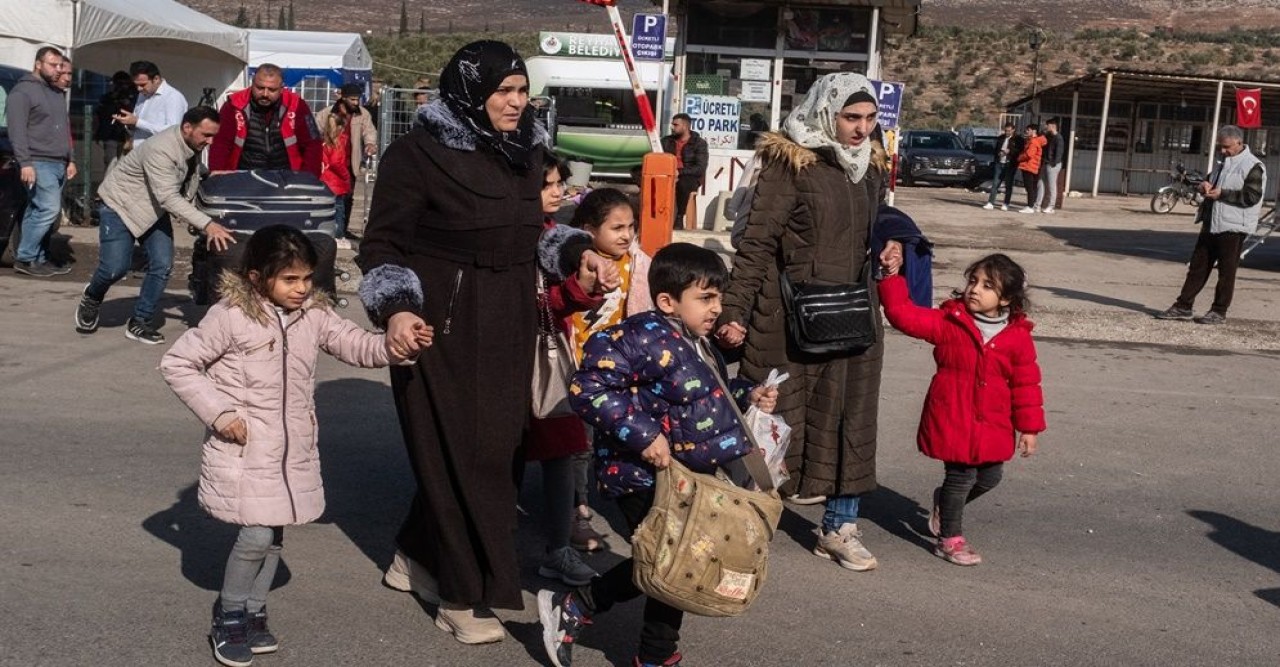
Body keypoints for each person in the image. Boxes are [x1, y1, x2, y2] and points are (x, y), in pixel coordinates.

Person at [357, 40, 554, 646]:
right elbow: (382, 245)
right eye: (504, 92)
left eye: (523, 92)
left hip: (512, 315)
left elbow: (534, 231)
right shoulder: (415, 155)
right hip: (440, 321)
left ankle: (416, 556)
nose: (517, 104)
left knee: (497, 449)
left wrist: (576, 253)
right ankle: (461, 593)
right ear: (470, 92)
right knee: (469, 454)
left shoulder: (527, 151)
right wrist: (394, 310)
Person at [160, 225, 428, 667]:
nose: (302, 288)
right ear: (256, 277)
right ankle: (229, 615)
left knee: (275, 537)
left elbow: (357, 345)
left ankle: (254, 610)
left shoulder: (314, 315)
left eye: (307, 278)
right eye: (290, 280)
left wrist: (398, 346)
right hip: (246, 449)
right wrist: (220, 414)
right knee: (258, 533)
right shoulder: (231, 316)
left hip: (292, 450)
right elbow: (178, 362)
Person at [538, 242, 779, 667]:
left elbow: (704, 398)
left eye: (718, 298)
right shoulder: (640, 337)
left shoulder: (696, 340)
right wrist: (646, 435)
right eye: (705, 298)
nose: (715, 308)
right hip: (638, 472)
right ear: (668, 301)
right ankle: (634, 642)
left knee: (677, 560)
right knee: (675, 561)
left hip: (686, 475)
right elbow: (587, 388)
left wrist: (747, 394)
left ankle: (599, 616)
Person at [715, 73, 901, 573]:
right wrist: (734, 310)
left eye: (869, 119)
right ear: (826, 113)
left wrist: (892, 244)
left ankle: (840, 527)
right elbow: (755, 243)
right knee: (771, 421)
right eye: (850, 118)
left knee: (849, 419)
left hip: (853, 314)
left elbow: (881, 222)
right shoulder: (789, 162)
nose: (861, 130)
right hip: (787, 313)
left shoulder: (873, 165)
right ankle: (743, 523)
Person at [879, 253, 1045, 565]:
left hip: (994, 422)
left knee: (990, 478)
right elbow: (903, 315)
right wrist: (891, 277)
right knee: (960, 477)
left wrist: (1030, 428)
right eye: (972, 281)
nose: (974, 289)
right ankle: (950, 539)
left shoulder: (1017, 336)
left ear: (1006, 298)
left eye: (987, 285)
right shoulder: (950, 322)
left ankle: (944, 503)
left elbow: (1026, 385)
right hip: (952, 417)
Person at [521, 155, 611, 587]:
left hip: (551, 356)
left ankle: (559, 548)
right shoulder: (512, 236)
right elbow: (536, 301)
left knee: (560, 450)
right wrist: (576, 291)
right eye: (548, 184)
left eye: (560, 183)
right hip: (513, 359)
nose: (558, 191)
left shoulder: (561, 237)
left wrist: (584, 289)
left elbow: (558, 303)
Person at [74, 107, 237, 344]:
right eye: (206, 135)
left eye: (213, 136)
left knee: (162, 265)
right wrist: (207, 224)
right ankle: (92, 296)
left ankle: (140, 321)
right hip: (121, 207)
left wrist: (208, 173)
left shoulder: (190, 143)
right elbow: (168, 197)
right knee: (114, 269)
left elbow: (185, 169)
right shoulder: (162, 149)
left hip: (152, 209)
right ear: (188, 128)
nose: (210, 142)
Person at [1155, 125, 1265, 325]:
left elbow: (1252, 196)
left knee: (1226, 271)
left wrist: (1222, 193)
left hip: (1233, 227)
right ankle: (1183, 306)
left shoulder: (1253, 166)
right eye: (1220, 147)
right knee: (1198, 266)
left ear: (1239, 143)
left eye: (1226, 147)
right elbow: (1210, 182)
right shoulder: (1222, 162)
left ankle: (1219, 311)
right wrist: (1203, 185)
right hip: (1211, 222)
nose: (1223, 151)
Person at [6, 46, 75, 277]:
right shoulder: (22, 93)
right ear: (38, 64)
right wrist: (25, 162)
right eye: (52, 65)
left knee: (38, 211)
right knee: (48, 209)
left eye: (59, 65)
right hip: (38, 161)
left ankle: (39, 257)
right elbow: (16, 131)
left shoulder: (55, 93)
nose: (58, 69)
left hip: (58, 162)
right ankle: (25, 257)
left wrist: (70, 159)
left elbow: (63, 130)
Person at [209, 64, 322, 176]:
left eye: (272, 90)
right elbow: (220, 144)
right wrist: (218, 178)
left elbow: (312, 144)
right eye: (260, 88)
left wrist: (308, 180)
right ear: (252, 83)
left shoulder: (297, 105)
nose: (265, 94)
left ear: (281, 88)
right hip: (243, 179)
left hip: (287, 178)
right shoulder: (234, 105)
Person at [314, 83, 377, 244]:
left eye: (358, 99)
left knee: (348, 198)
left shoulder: (363, 115)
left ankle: (343, 229)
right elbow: (314, 131)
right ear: (343, 97)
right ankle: (329, 230)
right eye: (352, 99)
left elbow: (369, 131)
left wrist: (370, 144)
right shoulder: (327, 113)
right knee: (330, 199)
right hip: (330, 163)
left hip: (350, 162)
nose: (356, 103)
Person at [113, 61, 189, 147]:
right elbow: (138, 128)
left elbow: (173, 132)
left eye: (143, 84)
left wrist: (137, 122)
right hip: (139, 152)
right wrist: (130, 124)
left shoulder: (173, 97)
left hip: (160, 155)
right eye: (136, 85)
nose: (139, 89)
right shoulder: (142, 95)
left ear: (156, 79)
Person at [661, 113, 708, 230]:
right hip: (668, 173)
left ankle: (679, 216)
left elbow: (700, 168)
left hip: (688, 176)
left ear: (685, 126)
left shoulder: (699, 143)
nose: (672, 127)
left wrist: (679, 172)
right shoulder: (667, 141)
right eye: (672, 124)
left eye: (675, 125)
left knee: (684, 183)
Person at [93, 71, 137, 171]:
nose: (122, 87)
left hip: (128, 135)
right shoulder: (108, 98)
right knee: (111, 164)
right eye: (119, 84)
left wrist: (127, 102)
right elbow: (101, 114)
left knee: (126, 165)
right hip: (111, 134)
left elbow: (136, 113)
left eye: (125, 84)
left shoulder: (135, 96)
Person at [983, 122, 1020, 211]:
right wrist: (998, 154)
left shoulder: (1018, 139)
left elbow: (1019, 151)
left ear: (1013, 130)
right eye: (1006, 130)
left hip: (1010, 164)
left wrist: (1009, 151)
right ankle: (991, 202)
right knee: (995, 183)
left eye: (1009, 131)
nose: (1007, 132)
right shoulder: (1000, 138)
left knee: (1008, 184)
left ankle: (1006, 203)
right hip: (999, 163)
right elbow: (995, 150)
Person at [1035, 118, 1064, 214]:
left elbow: (1059, 153)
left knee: (1052, 186)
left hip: (1052, 164)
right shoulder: (1048, 136)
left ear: (1052, 126)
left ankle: (1051, 206)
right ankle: (1037, 205)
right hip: (1046, 162)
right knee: (1040, 183)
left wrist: (1053, 163)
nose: (1045, 127)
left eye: (1047, 125)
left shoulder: (1058, 138)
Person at [1017, 124, 1045, 214]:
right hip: (1031, 166)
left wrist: (1019, 158)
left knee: (1029, 187)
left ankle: (1030, 206)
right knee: (1031, 187)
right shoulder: (1034, 141)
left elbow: (1029, 154)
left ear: (1034, 131)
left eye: (1028, 130)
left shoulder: (1033, 141)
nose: (1026, 131)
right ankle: (1031, 205)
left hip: (1029, 166)